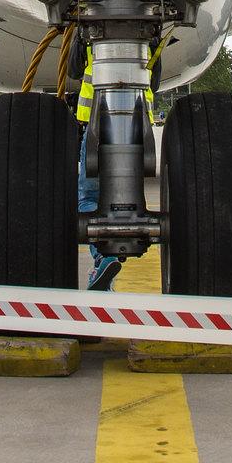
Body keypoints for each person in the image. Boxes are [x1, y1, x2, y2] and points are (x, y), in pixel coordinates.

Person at [74, 39, 157, 291]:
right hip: (137, 126)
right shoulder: (148, 45)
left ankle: (103, 256)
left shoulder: (90, 40)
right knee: (127, 198)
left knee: (88, 198)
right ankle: (105, 265)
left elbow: (74, 68)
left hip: (99, 122)